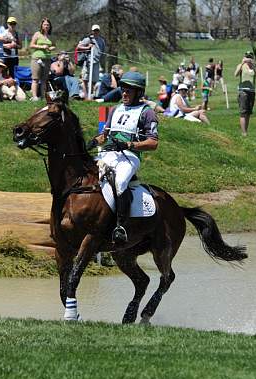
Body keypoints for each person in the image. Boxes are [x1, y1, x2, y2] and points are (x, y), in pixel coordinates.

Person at [86, 71, 159, 244]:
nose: (124, 93)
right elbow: (104, 135)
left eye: (129, 90)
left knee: (119, 183)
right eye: (123, 89)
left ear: (138, 93)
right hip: (109, 153)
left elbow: (153, 143)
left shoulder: (147, 113)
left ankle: (121, 226)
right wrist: (91, 142)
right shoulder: (115, 109)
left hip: (130, 156)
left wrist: (129, 145)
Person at [29, 17, 54, 101]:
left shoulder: (50, 36)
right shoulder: (37, 34)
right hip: (37, 59)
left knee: (44, 79)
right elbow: (31, 45)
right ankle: (34, 97)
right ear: (41, 25)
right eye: (45, 24)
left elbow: (54, 45)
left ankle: (43, 97)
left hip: (47, 59)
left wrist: (51, 48)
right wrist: (41, 46)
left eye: (48, 25)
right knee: (35, 78)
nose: (46, 26)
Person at [234, 51, 256, 136]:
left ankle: (246, 131)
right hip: (243, 91)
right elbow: (236, 74)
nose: (248, 59)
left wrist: (253, 66)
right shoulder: (241, 66)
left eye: (250, 57)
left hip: (251, 91)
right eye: (247, 57)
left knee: (248, 113)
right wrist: (241, 63)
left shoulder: (255, 67)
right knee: (243, 112)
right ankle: (243, 132)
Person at [76, 25, 103, 98]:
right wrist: (87, 47)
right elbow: (78, 47)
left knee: (94, 80)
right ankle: (86, 96)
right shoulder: (88, 39)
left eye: (97, 30)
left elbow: (102, 51)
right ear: (92, 31)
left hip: (96, 62)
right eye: (94, 30)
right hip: (88, 61)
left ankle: (90, 95)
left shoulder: (101, 40)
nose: (96, 32)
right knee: (85, 79)